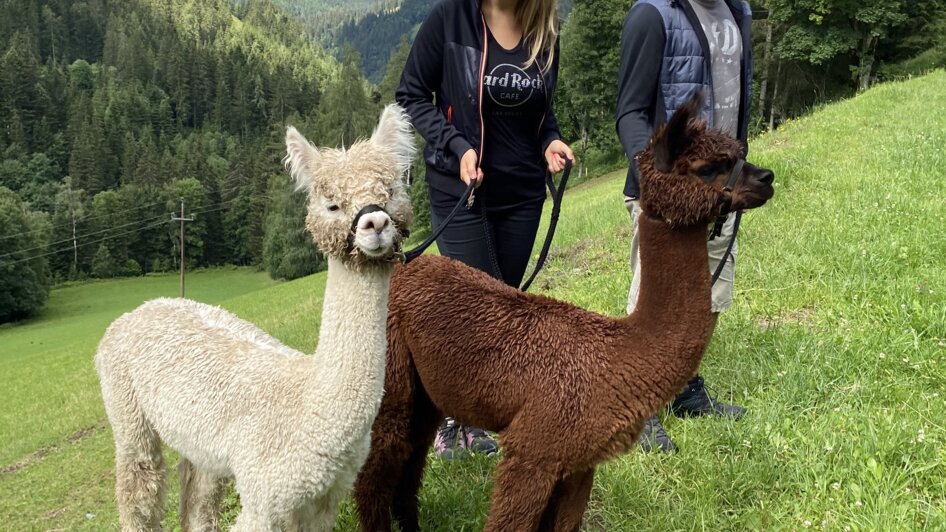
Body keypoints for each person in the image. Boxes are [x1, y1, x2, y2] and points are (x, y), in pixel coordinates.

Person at [396, 0, 573, 459]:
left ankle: (480, 413)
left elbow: (541, 114)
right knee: (469, 310)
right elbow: (411, 95)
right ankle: (450, 420)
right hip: (461, 189)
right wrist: (456, 145)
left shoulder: (544, 29)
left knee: (501, 305)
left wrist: (550, 141)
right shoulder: (449, 18)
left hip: (523, 194)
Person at [616, 0, 753, 452]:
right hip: (671, 195)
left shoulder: (738, 12)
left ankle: (684, 388)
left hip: (720, 187)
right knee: (654, 296)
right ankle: (641, 402)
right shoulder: (653, 14)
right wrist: (659, 180)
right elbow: (630, 112)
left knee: (708, 290)